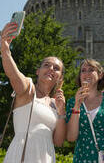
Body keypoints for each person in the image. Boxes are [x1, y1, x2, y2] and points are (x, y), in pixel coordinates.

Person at [1, 22, 66, 163]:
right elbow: (13, 74)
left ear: (60, 77)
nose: (51, 69)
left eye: (56, 68)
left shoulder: (56, 103)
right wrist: (5, 51)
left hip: (46, 156)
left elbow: (58, 141)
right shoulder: (28, 88)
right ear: (38, 71)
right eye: (46, 65)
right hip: (22, 155)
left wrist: (61, 113)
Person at [66, 59, 104, 163]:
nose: (86, 73)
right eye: (83, 70)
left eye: (91, 70)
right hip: (82, 158)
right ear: (80, 76)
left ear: (100, 75)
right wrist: (77, 106)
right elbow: (71, 137)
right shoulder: (72, 102)